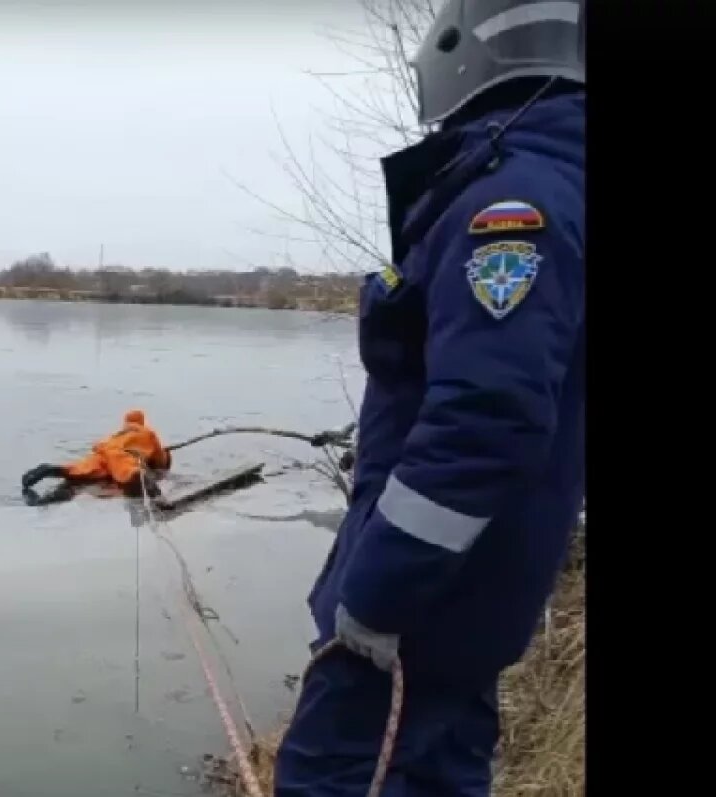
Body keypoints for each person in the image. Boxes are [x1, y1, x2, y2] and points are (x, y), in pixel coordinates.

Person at [274, 1, 585, 795]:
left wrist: (373, 600)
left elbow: (487, 419)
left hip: (412, 625)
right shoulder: (540, 180)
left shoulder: (511, 203)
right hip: (458, 610)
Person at [21, 409, 172, 506]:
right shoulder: (148, 433)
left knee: (79, 472)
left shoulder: (119, 432)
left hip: (103, 453)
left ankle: (51, 475)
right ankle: (157, 496)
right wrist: (165, 458)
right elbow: (160, 461)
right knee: (130, 472)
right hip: (120, 455)